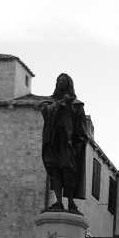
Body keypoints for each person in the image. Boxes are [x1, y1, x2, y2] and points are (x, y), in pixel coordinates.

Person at [39, 73, 88, 212]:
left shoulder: (76, 104)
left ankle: (71, 202)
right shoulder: (49, 102)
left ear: (69, 84)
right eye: (58, 80)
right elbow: (45, 111)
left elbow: (81, 124)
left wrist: (80, 140)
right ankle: (59, 202)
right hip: (53, 140)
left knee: (67, 170)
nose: (60, 82)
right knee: (54, 170)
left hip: (68, 141)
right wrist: (61, 104)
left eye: (63, 81)